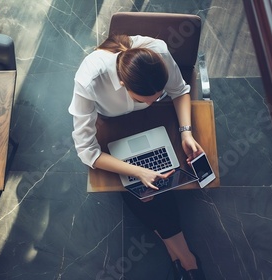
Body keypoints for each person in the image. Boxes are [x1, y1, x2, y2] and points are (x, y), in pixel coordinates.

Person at [68, 34, 206, 280]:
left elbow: (179, 90)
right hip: (111, 126)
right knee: (143, 188)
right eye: (143, 99)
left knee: (145, 192)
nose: (152, 103)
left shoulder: (159, 54)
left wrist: (186, 133)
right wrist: (137, 171)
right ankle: (186, 258)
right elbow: (86, 151)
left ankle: (179, 256)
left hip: (152, 124)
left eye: (157, 97)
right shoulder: (89, 80)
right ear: (123, 84)